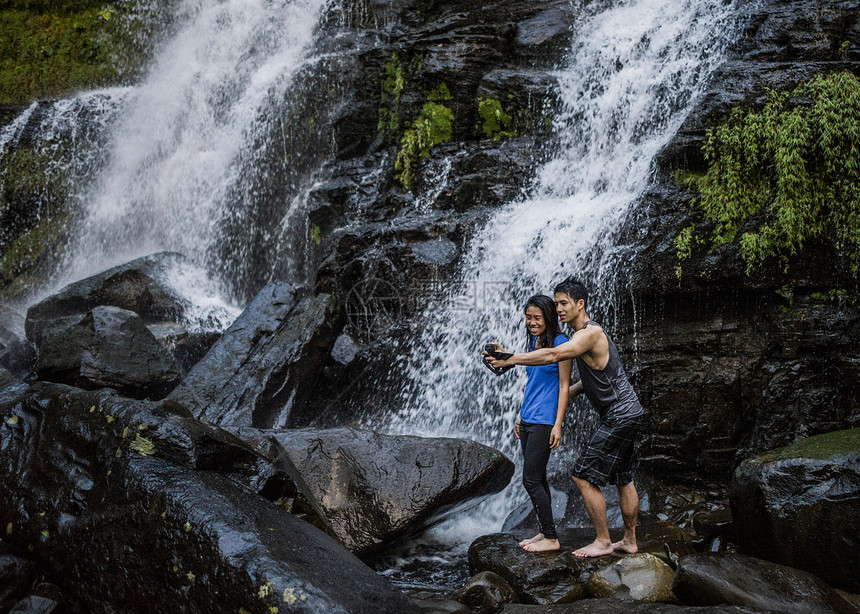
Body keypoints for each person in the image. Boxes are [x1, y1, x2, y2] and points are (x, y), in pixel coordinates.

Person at [485, 278, 645, 558]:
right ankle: (629, 541)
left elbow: (556, 354)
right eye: (556, 303)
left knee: (581, 474)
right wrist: (565, 394)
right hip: (627, 411)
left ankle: (603, 541)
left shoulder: (589, 333)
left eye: (563, 303)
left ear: (579, 304)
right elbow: (592, 379)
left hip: (620, 414)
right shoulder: (581, 338)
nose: (558, 308)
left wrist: (511, 359)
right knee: (623, 476)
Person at [489, 295, 572, 552]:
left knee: (530, 481)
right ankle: (545, 531)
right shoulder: (533, 341)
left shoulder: (562, 343)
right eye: (528, 317)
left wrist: (558, 424)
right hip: (527, 419)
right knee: (539, 478)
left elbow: (564, 385)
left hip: (545, 421)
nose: (532, 323)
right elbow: (532, 383)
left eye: (537, 318)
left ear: (548, 318)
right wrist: (519, 416)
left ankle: (551, 538)